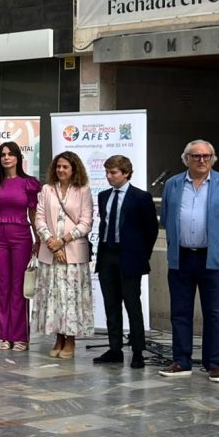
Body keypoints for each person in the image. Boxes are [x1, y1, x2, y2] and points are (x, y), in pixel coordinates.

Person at [158, 139, 219, 383]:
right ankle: (181, 361)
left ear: (213, 158)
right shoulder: (173, 184)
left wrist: (218, 242)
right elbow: (165, 218)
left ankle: (214, 364)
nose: (202, 160)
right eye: (196, 156)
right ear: (186, 159)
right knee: (180, 312)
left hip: (211, 259)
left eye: (206, 156)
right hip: (181, 257)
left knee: (215, 313)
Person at [93, 155, 158, 369]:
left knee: (132, 304)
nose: (109, 177)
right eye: (107, 173)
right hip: (108, 255)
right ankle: (115, 349)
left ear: (126, 173)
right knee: (111, 304)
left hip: (129, 257)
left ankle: (138, 350)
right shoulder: (103, 196)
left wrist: (141, 255)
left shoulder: (140, 197)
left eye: (113, 173)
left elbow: (151, 230)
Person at [32, 151, 94, 359]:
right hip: (50, 253)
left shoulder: (83, 190)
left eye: (65, 167)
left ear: (74, 169)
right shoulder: (47, 189)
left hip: (74, 253)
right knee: (54, 297)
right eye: (58, 166)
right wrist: (51, 241)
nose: (61, 170)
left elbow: (86, 222)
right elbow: (39, 217)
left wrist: (63, 241)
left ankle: (70, 340)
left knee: (70, 298)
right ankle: (58, 338)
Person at [0, 141, 41, 352]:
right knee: (3, 285)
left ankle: (20, 336)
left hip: (22, 237)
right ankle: (5, 335)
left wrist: (39, 239)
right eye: (3, 154)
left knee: (19, 286)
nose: (6, 158)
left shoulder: (29, 183)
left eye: (10, 154)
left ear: (18, 158)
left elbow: (33, 213)